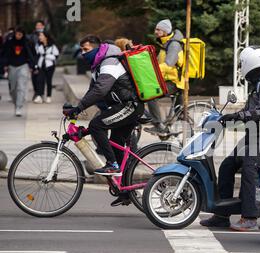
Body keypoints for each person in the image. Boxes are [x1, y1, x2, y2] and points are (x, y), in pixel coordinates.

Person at [200, 46, 260, 231]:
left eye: (241, 64)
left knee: (249, 167)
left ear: (250, 63)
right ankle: (221, 215)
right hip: (255, 135)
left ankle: (250, 217)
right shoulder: (259, 85)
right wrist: (228, 117)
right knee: (227, 165)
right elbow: (248, 112)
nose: (241, 68)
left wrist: (238, 117)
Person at [63, 35, 144, 182]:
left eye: (85, 49)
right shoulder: (98, 65)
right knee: (116, 145)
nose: (82, 53)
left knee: (96, 125)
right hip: (123, 106)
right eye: (81, 49)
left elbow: (100, 90)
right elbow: (92, 90)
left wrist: (79, 107)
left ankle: (111, 164)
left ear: (96, 48)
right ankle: (125, 190)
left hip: (129, 106)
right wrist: (77, 108)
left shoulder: (109, 62)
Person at [145, 19, 185, 135]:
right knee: (178, 112)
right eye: (156, 29)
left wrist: (152, 70)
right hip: (167, 80)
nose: (155, 31)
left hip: (174, 82)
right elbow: (159, 63)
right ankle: (166, 128)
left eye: (158, 29)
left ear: (166, 31)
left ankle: (158, 125)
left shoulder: (174, 45)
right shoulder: (165, 43)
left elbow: (168, 64)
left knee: (151, 95)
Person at [3, 27, 36, 117]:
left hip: (23, 66)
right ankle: (15, 103)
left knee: (21, 87)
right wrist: (4, 65)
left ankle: (18, 107)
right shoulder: (9, 42)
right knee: (13, 88)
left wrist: (32, 65)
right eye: (17, 34)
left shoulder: (27, 42)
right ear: (15, 34)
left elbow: (32, 53)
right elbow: (4, 54)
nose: (19, 36)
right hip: (11, 66)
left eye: (20, 34)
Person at [33, 31, 59, 104]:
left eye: (41, 36)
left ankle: (48, 96)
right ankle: (39, 96)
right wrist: (36, 66)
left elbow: (56, 56)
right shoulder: (39, 46)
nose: (39, 37)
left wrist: (46, 55)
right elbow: (37, 56)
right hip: (41, 66)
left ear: (46, 37)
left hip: (50, 66)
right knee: (39, 80)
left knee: (49, 81)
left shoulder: (52, 46)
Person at [29, 20, 45, 101]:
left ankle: (40, 93)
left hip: (42, 59)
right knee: (34, 77)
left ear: (43, 26)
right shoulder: (32, 36)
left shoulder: (46, 35)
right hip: (33, 59)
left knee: (41, 78)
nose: (38, 27)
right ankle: (36, 92)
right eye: (37, 25)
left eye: (40, 25)